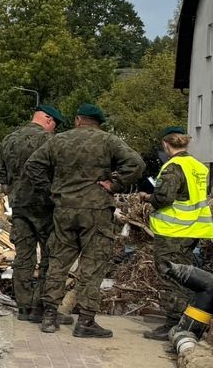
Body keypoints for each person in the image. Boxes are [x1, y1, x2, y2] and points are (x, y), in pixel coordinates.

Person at [24, 103, 145, 337]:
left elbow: (33, 165)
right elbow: (136, 164)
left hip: (64, 209)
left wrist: (51, 190)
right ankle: (86, 321)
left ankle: (49, 316)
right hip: (96, 209)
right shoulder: (108, 141)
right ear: (98, 122)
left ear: (78, 119)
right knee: (93, 263)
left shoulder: (59, 140)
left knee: (59, 261)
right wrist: (115, 184)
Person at [0, 104, 64, 322]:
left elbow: (2, 178)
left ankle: (23, 307)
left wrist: (16, 190)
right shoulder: (50, 141)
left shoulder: (9, 140)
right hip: (45, 206)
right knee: (49, 256)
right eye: (54, 125)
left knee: (23, 256)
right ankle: (39, 306)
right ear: (49, 120)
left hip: (19, 206)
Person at [144, 128, 213, 340]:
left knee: (171, 275)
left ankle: (173, 323)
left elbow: (164, 198)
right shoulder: (198, 167)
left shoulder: (173, 166)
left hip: (173, 231)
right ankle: (183, 319)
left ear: (166, 144)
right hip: (194, 229)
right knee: (184, 275)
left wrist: (149, 198)